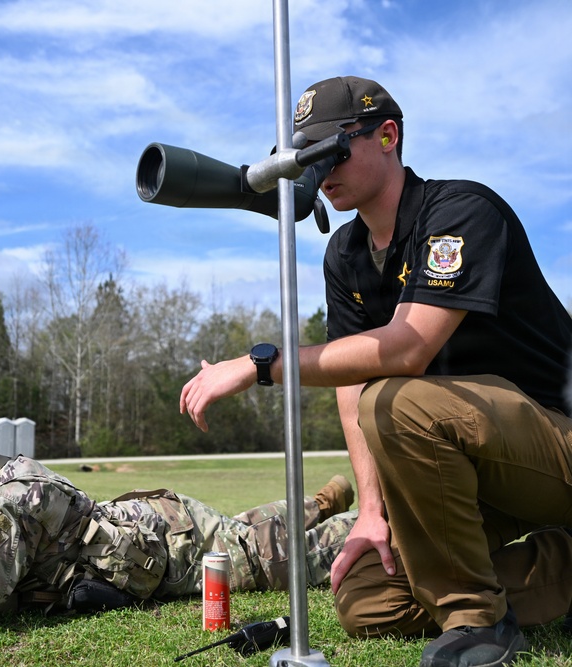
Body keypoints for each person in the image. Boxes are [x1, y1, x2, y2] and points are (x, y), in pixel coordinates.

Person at [180, 75, 572, 667]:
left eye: (330, 151)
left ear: (388, 135)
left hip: (554, 445)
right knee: (368, 599)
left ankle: (476, 618)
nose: (318, 171)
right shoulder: (345, 254)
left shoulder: (462, 211)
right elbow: (350, 382)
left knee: (399, 400)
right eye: (303, 158)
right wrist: (369, 510)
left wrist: (263, 365)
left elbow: (404, 349)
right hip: (477, 466)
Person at [0, 392, 358, 637]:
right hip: (135, 526)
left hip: (175, 542)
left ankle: (354, 516)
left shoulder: (12, 498)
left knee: (281, 552)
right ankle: (318, 501)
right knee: (251, 527)